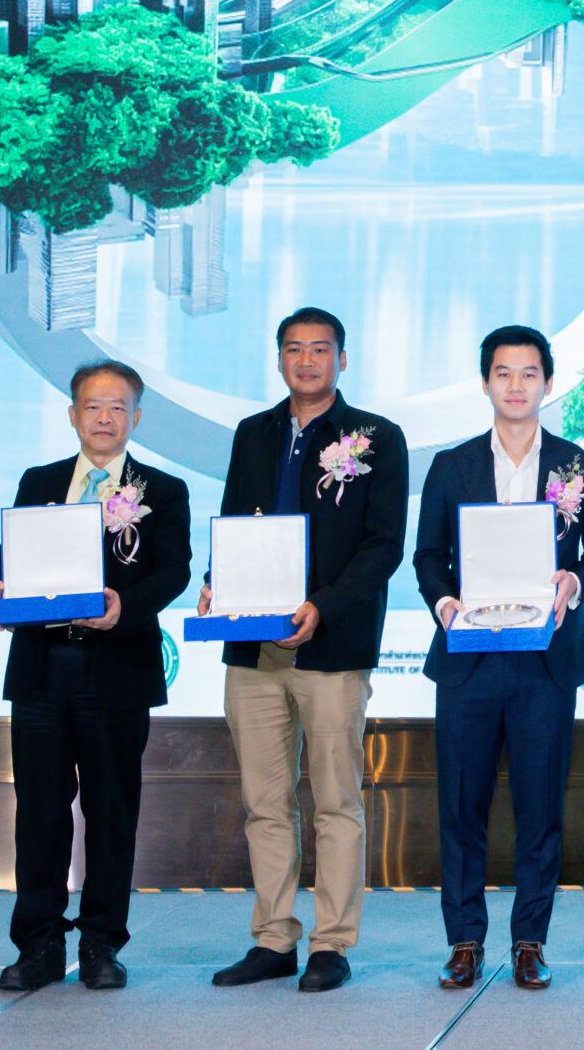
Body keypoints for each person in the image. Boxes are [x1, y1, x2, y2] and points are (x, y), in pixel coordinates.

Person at [203, 307, 408, 994]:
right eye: (294, 348)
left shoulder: (377, 436)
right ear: (280, 359)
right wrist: (216, 583)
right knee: (264, 802)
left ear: (341, 359)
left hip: (333, 646)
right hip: (252, 647)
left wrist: (324, 606)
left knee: (335, 802)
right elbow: (236, 523)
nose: (307, 360)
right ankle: (273, 938)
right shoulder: (253, 432)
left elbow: (384, 546)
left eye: (321, 349)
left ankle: (332, 942)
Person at [414, 324, 584, 991]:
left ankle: (530, 940)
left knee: (540, 807)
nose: (515, 385)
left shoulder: (578, 464)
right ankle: (464, 941)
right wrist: (445, 602)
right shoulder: (451, 465)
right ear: (485, 383)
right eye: (502, 373)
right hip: (468, 658)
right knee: (461, 806)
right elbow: (427, 554)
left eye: (529, 373)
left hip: (545, 660)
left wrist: (575, 581)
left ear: (547, 383)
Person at [0, 361, 191, 992]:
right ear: (73, 415)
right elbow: (6, 558)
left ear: (136, 417)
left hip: (117, 669)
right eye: (93, 406)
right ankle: (39, 944)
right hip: (42, 669)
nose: (105, 418)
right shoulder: (40, 480)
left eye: (118, 407)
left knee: (111, 813)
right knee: (39, 813)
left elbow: (174, 571)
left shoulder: (164, 489)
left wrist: (126, 607)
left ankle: (102, 943)